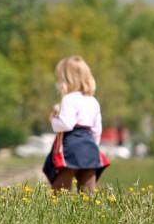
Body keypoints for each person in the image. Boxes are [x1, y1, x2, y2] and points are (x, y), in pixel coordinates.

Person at [42, 56, 110, 192]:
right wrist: (93, 147)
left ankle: (58, 210)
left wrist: (54, 119)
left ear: (66, 80)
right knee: (88, 188)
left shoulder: (69, 99)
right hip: (90, 146)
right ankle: (89, 211)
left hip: (72, 146)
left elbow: (67, 124)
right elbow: (97, 130)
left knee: (61, 187)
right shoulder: (93, 101)